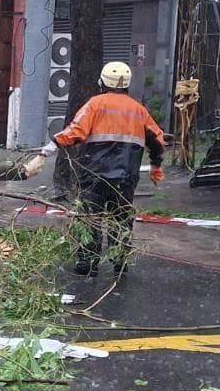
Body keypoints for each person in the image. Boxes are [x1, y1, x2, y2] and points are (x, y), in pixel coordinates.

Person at [40, 61, 166, 277]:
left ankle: (88, 264)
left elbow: (75, 130)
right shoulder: (139, 110)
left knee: (91, 218)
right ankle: (120, 263)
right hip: (125, 177)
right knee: (121, 219)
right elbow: (156, 139)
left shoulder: (96, 104)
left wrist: (52, 146)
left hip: (95, 174)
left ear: (102, 82)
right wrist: (156, 165)